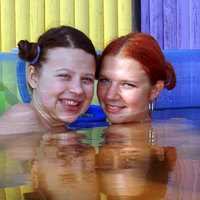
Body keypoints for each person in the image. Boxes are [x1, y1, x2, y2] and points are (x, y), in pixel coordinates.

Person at [0, 26, 97, 134]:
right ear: (33, 77)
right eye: (64, 76)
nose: (78, 89)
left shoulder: (53, 126)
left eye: (87, 79)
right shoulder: (24, 117)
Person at [97, 32, 176, 124]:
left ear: (155, 90)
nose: (110, 96)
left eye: (128, 84)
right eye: (105, 80)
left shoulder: (174, 136)